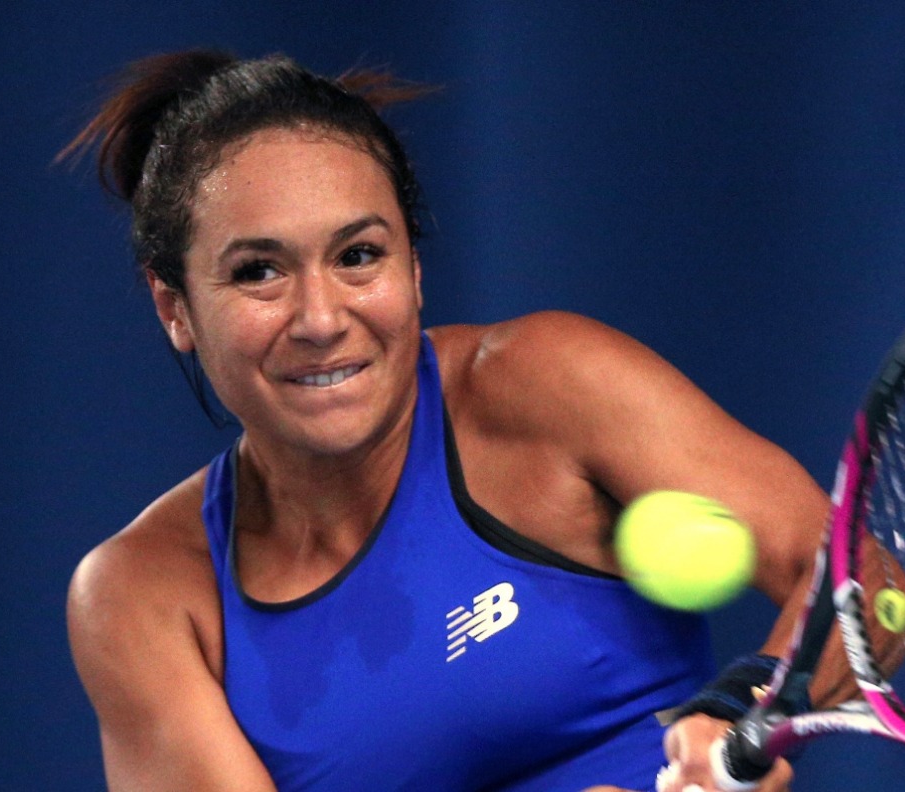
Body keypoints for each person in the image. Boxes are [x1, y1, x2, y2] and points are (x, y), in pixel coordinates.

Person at [62, 49, 835, 792]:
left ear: (413, 266)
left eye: (358, 255)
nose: (321, 319)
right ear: (175, 308)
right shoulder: (141, 596)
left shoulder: (548, 382)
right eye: (258, 272)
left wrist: (743, 711)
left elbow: (858, 586)